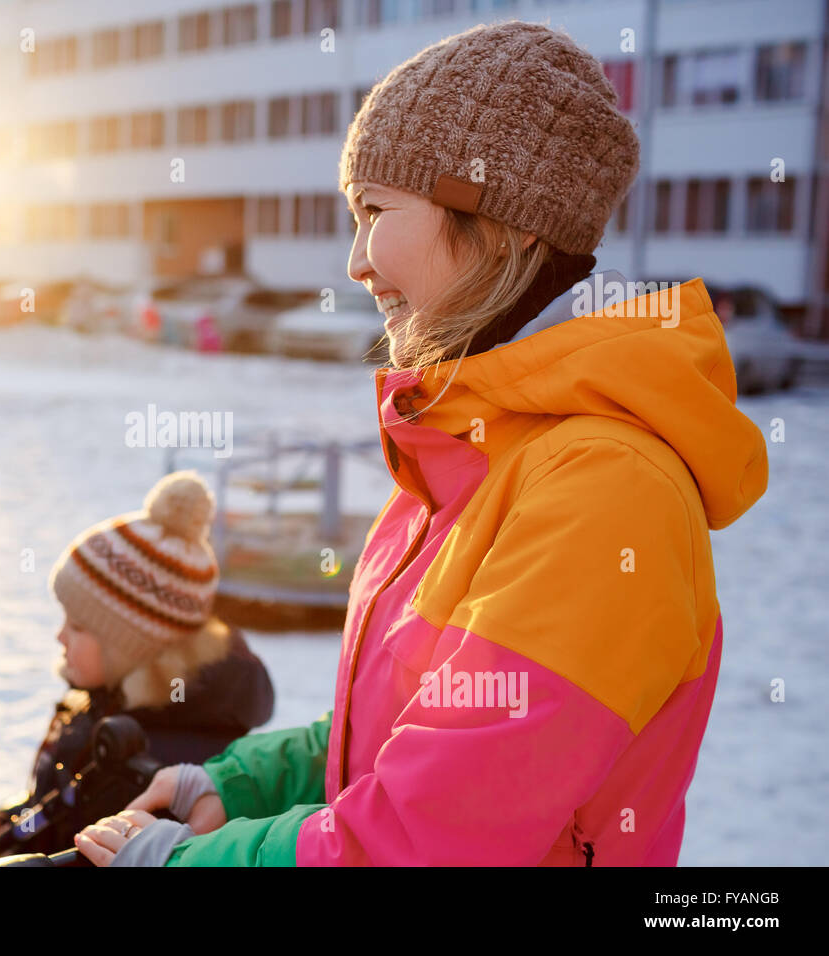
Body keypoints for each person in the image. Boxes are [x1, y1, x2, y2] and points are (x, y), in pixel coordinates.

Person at [75, 19, 769, 867]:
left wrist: (176, 864)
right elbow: (410, 725)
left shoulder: (603, 492)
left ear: (504, 223)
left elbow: (426, 840)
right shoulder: (472, 456)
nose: (356, 263)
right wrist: (247, 781)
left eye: (374, 212)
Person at [0, 470, 274, 856]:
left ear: (130, 646)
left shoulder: (159, 765)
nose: (59, 637)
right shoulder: (101, 699)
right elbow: (55, 806)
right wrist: (3, 825)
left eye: (77, 626)